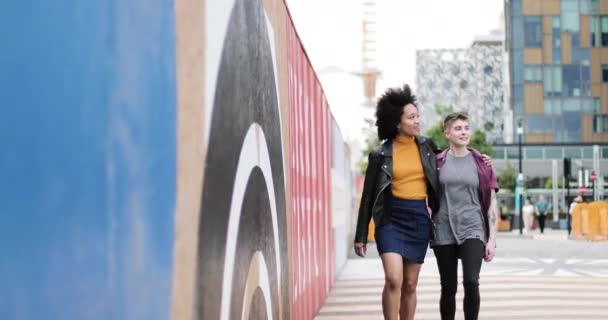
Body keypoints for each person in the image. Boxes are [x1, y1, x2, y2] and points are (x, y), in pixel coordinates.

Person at [354, 85, 441, 320]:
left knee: (410, 284)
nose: (417, 121)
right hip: (390, 219)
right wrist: (361, 234)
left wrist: (478, 159)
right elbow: (368, 198)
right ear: (396, 122)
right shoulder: (379, 154)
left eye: (418, 116)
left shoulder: (428, 146)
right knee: (394, 279)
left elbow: (449, 166)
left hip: (418, 218)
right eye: (411, 117)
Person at [431, 112, 499, 320]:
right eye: (458, 128)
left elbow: (492, 202)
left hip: (473, 227)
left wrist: (492, 239)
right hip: (443, 227)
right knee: (448, 286)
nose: (464, 132)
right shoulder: (437, 162)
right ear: (447, 133)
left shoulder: (482, 163)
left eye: (467, 128)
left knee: (471, 281)